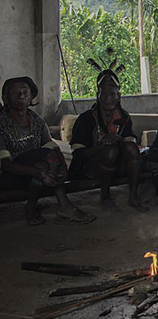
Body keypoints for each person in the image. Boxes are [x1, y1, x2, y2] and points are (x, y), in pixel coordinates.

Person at [0, 77, 95, 225]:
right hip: (8, 176)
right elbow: (5, 164)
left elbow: (52, 146)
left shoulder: (36, 120)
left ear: (31, 96)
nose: (21, 95)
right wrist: (36, 172)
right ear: (5, 98)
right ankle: (62, 206)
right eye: (15, 92)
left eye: (25, 92)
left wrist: (63, 167)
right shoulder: (2, 123)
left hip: (38, 172)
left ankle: (33, 208)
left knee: (46, 164)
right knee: (44, 160)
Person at [69, 67, 146, 212]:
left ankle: (133, 196)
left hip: (118, 167)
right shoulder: (86, 119)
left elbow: (129, 142)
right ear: (97, 95)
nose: (107, 98)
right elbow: (78, 154)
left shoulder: (123, 117)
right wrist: (101, 148)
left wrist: (118, 139)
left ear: (119, 96)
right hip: (91, 168)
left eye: (112, 94)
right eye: (103, 93)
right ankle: (105, 197)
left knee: (131, 148)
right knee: (110, 152)